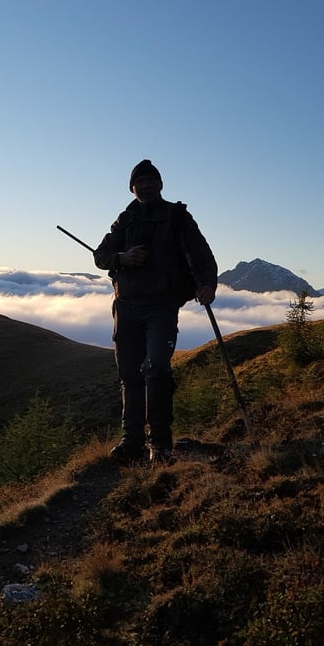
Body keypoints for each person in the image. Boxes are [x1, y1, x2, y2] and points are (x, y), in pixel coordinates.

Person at [93, 159, 218, 464]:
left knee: (157, 369)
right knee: (129, 373)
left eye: (151, 180)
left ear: (160, 184)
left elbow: (202, 253)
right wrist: (123, 258)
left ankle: (160, 444)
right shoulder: (126, 219)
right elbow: (101, 256)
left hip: (161, 306)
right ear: (133, 188)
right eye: (140, 182)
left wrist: (208, 285)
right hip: (126, 306)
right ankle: (132, 440)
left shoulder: (177, 216)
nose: (146, 185)